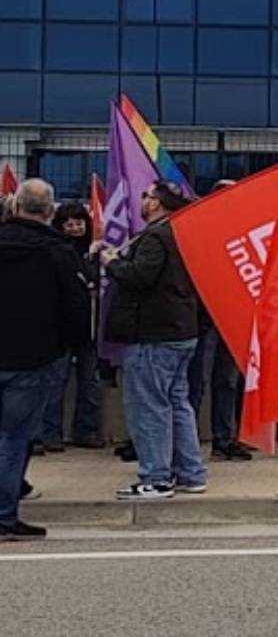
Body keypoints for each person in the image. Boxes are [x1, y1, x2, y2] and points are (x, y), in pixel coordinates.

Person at [102, 180, 207, 500]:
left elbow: (140, 277)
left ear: (157, 204)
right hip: (180, 330)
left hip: (153, 334)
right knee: (177, 403)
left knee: (149, 407)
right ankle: (190, 472)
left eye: (146, 195)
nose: (142, 199)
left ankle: (156, 477)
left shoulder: (155, 237)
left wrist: (112, 263)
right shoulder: (181, 233)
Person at [0, 179, 89, 539]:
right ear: (50, 212)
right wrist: (66, 348)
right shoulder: (58, 253)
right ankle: (4, 516)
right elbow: (76, 307)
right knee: (14, 439)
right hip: (33, 357)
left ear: (14, 206)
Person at [35, 201, 105, 453]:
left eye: (79, 223)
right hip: (63, 328)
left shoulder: (95, 251)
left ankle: (86, 430)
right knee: (55, 383)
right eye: (69, 224)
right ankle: (49, 433)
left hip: (89, 328)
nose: (75, 228)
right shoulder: (57, 250)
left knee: (90, 383)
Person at [187, 180, 249, 462]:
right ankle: (185, 443)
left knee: (227, 380)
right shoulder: (200, 233)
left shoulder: (244, 233)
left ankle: (224, 440)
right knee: (195, 381)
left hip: (234, 317)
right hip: (204, 318)